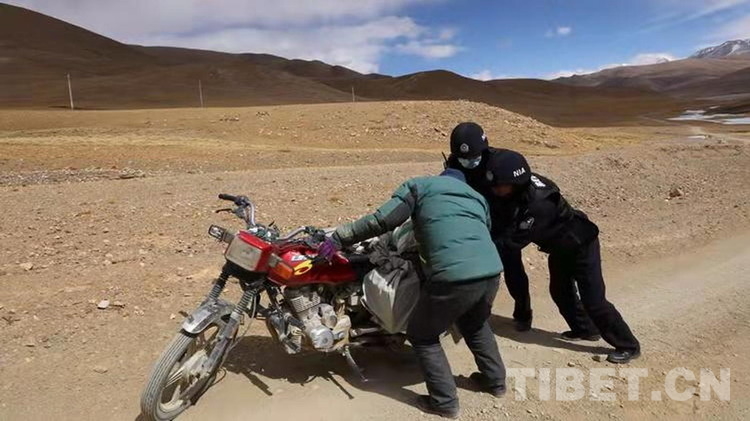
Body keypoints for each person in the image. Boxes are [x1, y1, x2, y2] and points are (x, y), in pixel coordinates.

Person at [318, 169, 506, 418]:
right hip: (491, 272)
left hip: (452, 276)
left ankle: (444, 402)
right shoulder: (477, 196)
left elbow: (381, 221)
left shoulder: (420, 187)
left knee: (423, 335)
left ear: (440, 177)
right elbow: (481, 231)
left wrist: (340, 238)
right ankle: (495, 382)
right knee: (475, 323)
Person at [484, 150, 641, 363]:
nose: (496, 189)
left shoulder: (539, 205)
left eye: (501, 185)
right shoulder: (521, 188)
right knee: (559, 291)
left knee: (594, 301)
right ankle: (586, 329)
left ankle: (628, 345)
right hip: (559, 245)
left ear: (516, 183)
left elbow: (511, 242)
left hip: (581, 244)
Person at [446, 122, 533, 332]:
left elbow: (516, 193)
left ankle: (523, 311)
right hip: (474, 220)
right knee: (471, 270)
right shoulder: (455, 163)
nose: (469, 162)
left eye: (473, 158)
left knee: (512, 268)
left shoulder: (501, 163)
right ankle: (471, 314)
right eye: (463, 158)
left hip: (502, 221)